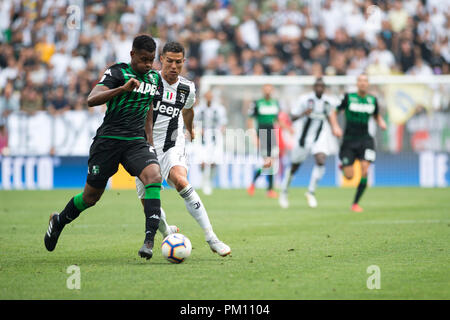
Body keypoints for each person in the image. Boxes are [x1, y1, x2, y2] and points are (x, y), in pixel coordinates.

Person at [44, 35, 163, 261]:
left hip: (136, 142)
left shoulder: (154, 78)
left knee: (154, 176)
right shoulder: (117, 72)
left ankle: (149, 241)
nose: (148, 64)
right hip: (108, 141)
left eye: (152, 60)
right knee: (90, 197)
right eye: (144, 59)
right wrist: (122, 89)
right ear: (132, 55)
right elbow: (92, 99)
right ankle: (59, 221)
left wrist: (150, 142)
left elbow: (148, 109)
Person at [135, 41, 231, 257]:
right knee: (149, 204)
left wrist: (190, 130)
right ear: (161, 60)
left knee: (181, 180)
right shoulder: (149, 82)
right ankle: (167, 231)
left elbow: (188, 110)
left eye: (178, 62)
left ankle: (211, 238)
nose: (174, 66)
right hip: (143, 148)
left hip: (172, 143)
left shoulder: (187, 87)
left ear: (184, 62)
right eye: (169, 61)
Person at [329, 73, 386, 212]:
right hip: (349, 141)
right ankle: (343, 166)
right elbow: (333, 113)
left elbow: (376, 115)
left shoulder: (372, 100)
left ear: (368, 84)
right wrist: (335, 127)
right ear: (357, 83)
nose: (362, 83)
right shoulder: (348, 97)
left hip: (366, 140)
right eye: (360, 81)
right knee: (349, 176)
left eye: (365, 81)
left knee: (365, 168)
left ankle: (355, 203)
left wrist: (381, 122)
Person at [279, 77, 335, 209]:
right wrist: (304, 113)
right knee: (294, 167)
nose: (319, 88)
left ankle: (311, 192)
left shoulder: (328, 102)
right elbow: (291, 118)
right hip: (303, 138)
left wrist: (335, 128)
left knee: (321, 160)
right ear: (313, 87)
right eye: (317, 86)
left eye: (322, 86)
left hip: (319, 137)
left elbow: (330, 115)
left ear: (324, 88)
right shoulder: (305, 100)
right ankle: (284, 192)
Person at [247, 84, 280, 198]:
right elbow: (250, 119)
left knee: (271, 163)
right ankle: (255, 184)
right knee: (268, 162)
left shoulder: (275, 103)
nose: (267, 91)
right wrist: (254, 135)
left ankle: (268, 189)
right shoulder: (257, 103)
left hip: (272, 135)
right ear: (263, 90)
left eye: (269, 89)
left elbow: (277, 119)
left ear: (272, 90)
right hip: (263, 133)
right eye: (265, 89)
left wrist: (289, 129)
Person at [195, 90, 227, 195]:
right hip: (202, 138)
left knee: (213, 162)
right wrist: (198, 130)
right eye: (207, 96)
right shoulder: (199, 109)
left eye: (210, 96)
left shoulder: (219, 109)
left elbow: (223, 123)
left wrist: (220, 132)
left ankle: (210, 181)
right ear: (205, 97)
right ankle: (205, 183)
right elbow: (193, 122)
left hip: (215, 138)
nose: (209, 98)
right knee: (203, 162)